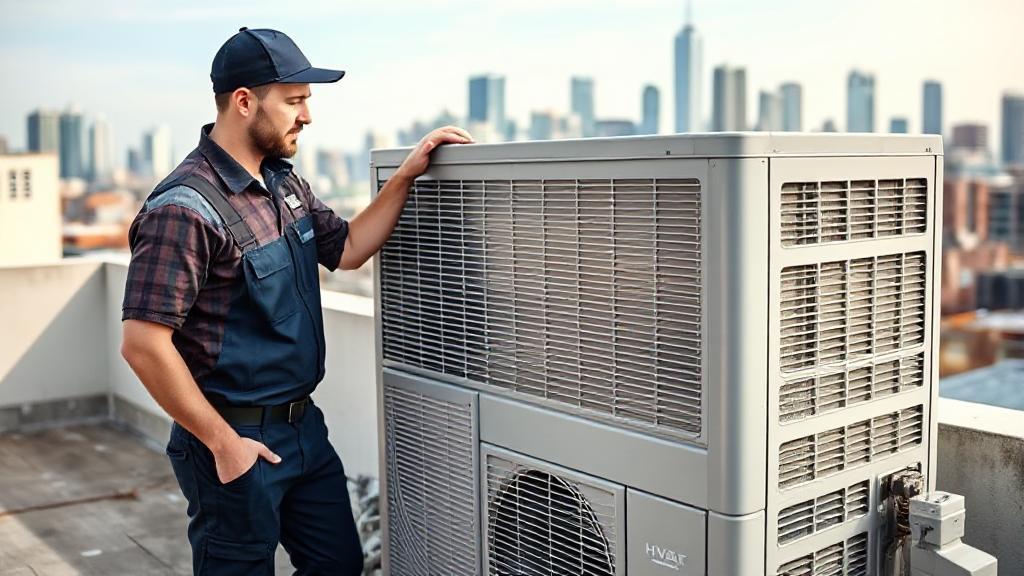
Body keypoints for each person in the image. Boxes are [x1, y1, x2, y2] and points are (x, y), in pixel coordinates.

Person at [119, 27, 472, 575]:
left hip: (303, 429)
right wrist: (224, 443)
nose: (307, 115)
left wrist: (404, 177)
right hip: (231, 438)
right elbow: (143, 344)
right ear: (244, 102)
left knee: (337, 565)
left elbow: (349, 248)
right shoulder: (184, 209)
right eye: (295, 100)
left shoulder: (284, 184)